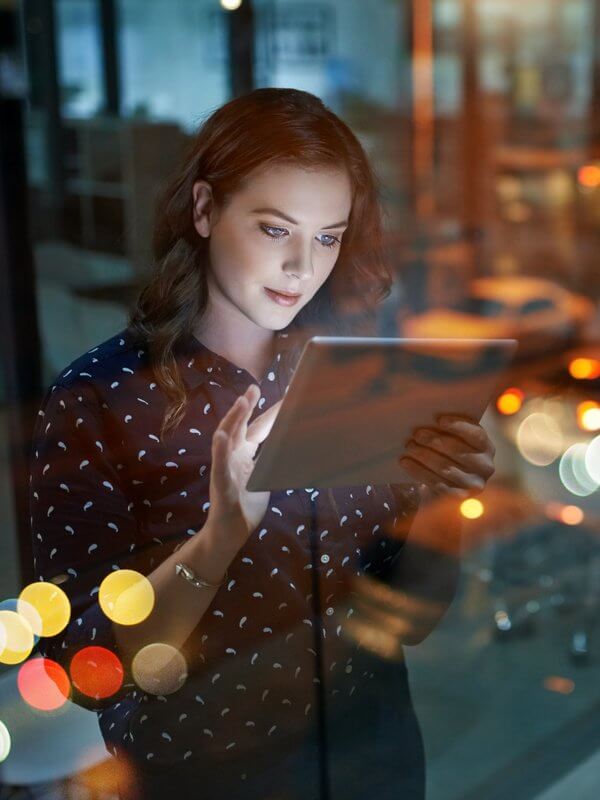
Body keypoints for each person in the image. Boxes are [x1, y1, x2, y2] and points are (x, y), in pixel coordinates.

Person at [29, 88, 495, 800]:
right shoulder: (100, 396)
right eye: (276, 230)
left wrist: (440, 500)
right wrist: (220, 537)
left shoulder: (351, 376)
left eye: (329, 236)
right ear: (206, 209)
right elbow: (81, 666)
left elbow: (413, 618)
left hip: (376, 762)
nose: (304, 268)